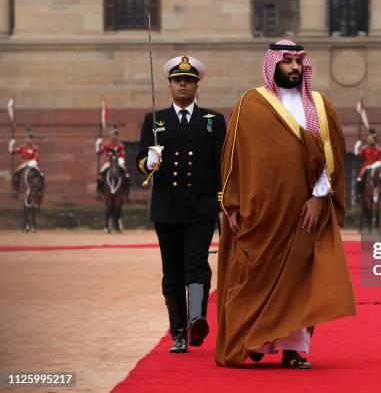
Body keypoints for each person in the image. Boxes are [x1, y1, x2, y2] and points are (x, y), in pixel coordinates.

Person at [216, 40, 356, 368]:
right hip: (260, 213)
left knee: (301, 280)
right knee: (252, 277)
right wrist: (232, 206)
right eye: (287, 62)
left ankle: (295, 350)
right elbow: (233, 159)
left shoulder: (320, 106)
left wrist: (319, 198)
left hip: (305, 212)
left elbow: (329, 158)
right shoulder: (250, 104)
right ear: (273, 64)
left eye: (298, 62)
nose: (294, 68)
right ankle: (255, 341)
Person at [136, 55, 226, 352]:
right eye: (178, 80)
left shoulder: (212, 121)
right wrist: (147, 162)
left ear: (197, 85)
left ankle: (197, 319)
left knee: (197, 264)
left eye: (188, 80)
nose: (183, 85)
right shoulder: (155, 119)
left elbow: (221, 166)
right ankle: (178, 331)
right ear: (170, 85)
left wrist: (223, 203)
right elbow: (140, 162)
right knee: (172, 271)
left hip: (201, 208)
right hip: (167, 208)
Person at [96, 125, 131, 200]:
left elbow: (123, 154)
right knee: (100, 175)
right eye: (113, 135)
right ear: (110, 136)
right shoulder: (107, 145)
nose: (114, 137)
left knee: (127, 175)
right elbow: (99, 152)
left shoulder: (120, 145)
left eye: (116, 135)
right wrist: (97, 144)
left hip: (118, 162)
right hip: (109, 162)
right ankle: (99, 192)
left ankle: (127, 192)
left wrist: (121, 159)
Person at [8, 128, 43, 198]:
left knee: (41, 174)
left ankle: (40, 187)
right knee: (15, 175)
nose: (29, 140)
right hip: (23, 164)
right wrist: (11, 144)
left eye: (30, 138)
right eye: (28, 138)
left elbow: (36, 156)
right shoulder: (22, 147)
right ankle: (16, 191)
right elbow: (12, 152)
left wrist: (33, 162)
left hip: (32, 163)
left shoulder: (35, 148)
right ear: (25, 139)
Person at [354, 130, 381, 199]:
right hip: (365, 165)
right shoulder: (364, 148)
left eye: (371, 139)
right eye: (369, 139)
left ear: (374, 140)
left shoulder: (379, 150)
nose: (370, 140)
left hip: (376, 166)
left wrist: (372, 166)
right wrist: (356, 147)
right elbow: (357, 156)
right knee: (359, 178)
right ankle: (358, 194)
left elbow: (380, 161)